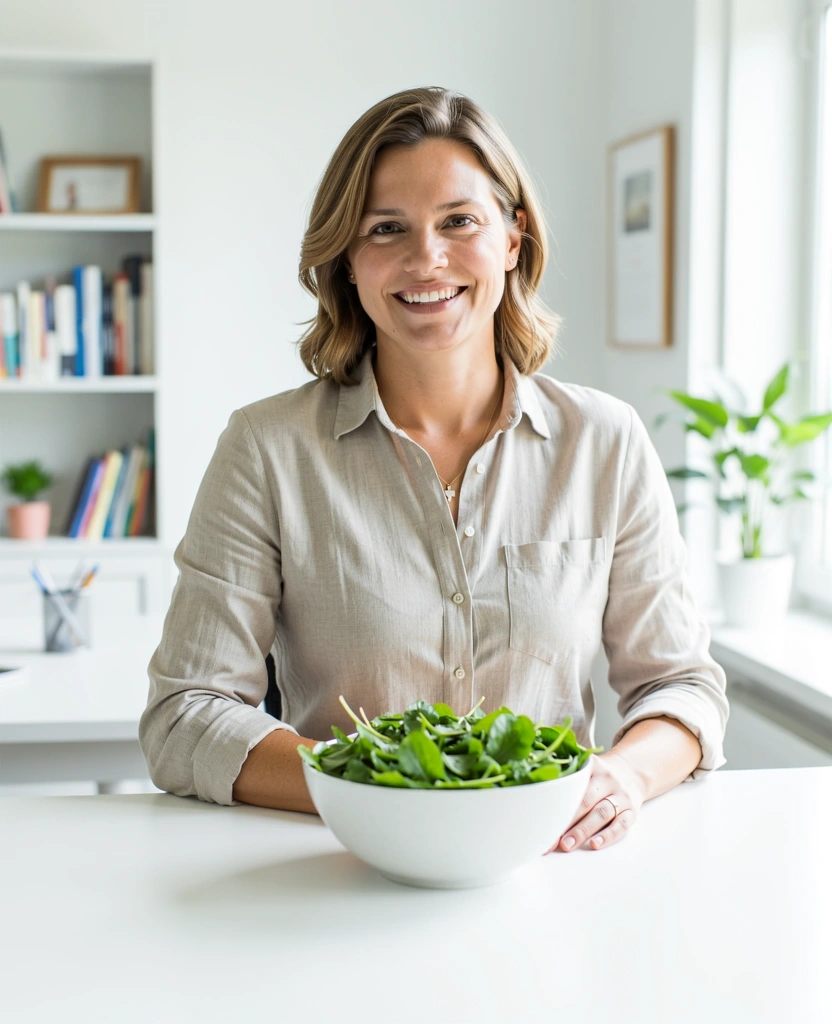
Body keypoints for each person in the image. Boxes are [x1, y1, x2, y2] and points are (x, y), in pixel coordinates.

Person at [140, 86, 728, 855]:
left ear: (512, 240)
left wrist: (624, 777)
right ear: (348, 260)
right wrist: (381, 789)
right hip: (337, 875)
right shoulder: (265, 449)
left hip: (555, 879)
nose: (427, 259)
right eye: (387, 229)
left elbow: (681, 688)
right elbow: (187, 715)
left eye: (460, 222)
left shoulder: (605, 441)